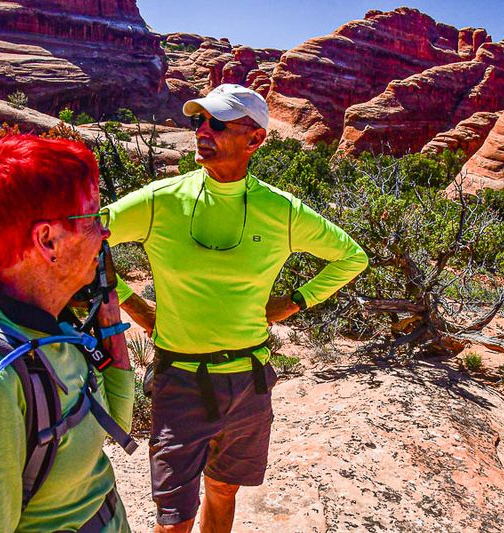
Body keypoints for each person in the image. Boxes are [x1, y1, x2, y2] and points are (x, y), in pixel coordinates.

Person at [106, 84, 369, 532]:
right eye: (198, 121)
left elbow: (352, 257)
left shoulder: (280, 210)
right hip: (180, 380)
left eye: (218, 123)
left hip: (248, 380)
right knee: (174, 518)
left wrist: (296, 301)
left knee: (224, 489)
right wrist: (134, 304)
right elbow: (87, 239)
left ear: (256, 139)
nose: (202, 131)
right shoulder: (160, 200)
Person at [0, 135, 135, 532]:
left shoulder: (53, 325)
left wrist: (107, 311)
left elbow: (116, 425)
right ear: (47, 240)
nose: (104, 233)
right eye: (91, 219)